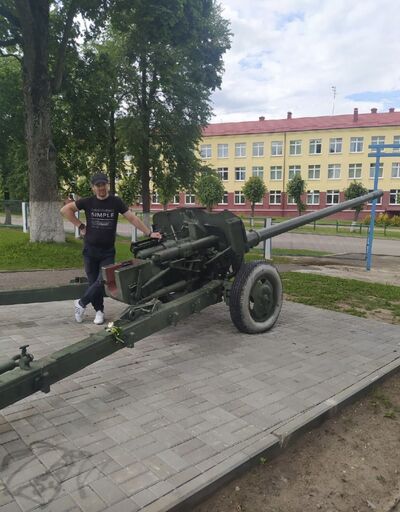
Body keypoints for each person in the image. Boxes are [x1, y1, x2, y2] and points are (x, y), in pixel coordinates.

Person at [60, 172, 161, 325]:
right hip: (90, 250)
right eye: (98, 185)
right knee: (93, 282)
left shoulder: (116, 202)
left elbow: (132, 218)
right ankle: (99, 311)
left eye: (103, 184)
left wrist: (149, 233)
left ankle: (81, 303)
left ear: (107, 185)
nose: (101, 188)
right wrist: (80, 226)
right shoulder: (87, 202)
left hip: (107, 251)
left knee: (102, 281)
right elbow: (65, 210)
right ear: (93, 187)